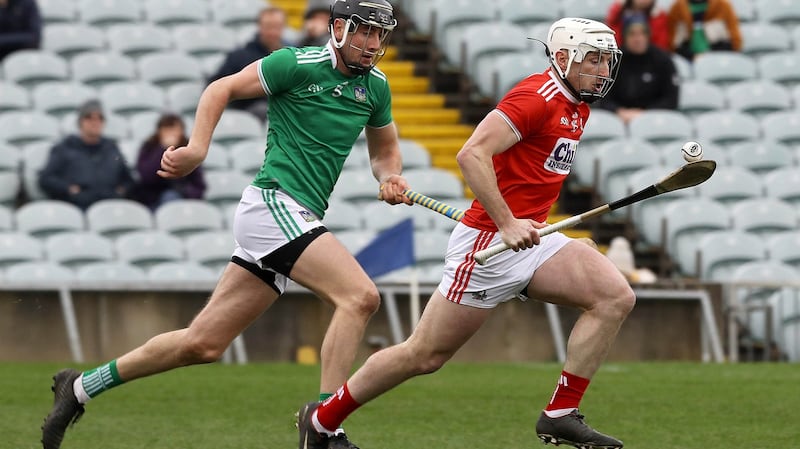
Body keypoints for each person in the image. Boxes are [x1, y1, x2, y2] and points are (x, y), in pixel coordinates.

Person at [41, 1, 404, 449]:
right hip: (272, 205)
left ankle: (78, 388)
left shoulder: (377, 87)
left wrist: (389, 177)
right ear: (339, 29)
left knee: (202, 345)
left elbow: (384, 151)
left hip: (295, 216)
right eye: (363, 32)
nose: (371, 45)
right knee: (360, 296)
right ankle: (325, 424)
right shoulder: (294, 63)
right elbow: (220, 89)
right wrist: (196, 149)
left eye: (379, 35)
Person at [297, 17, 634, 449]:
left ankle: (560, 414)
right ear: (563, 58)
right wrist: (508, 222)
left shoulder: (577, 103)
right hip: (488, 246)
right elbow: (471, 153)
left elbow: (529, 179)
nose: (603, 71)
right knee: (423, 355)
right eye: (594, 61)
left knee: (615, 296)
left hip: (532, 238)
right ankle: (323, 420)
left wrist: (552, 240)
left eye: (607, 62)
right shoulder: (537, 97)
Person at [38, 100, 135, 210]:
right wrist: (68, 189)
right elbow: (46, 179)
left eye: (100, 118)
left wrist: (120, 191)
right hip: (77, 207)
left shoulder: (112, 148)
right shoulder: (64, 148)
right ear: (80, 122)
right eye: (89, 117)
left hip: (111, 206)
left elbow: (129, 179)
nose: (95, 122)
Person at [597, 13, 679, 124]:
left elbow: (671, 98)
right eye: (632, 34)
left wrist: (644, 114)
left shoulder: (662, 60)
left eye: (642, 33)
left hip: (654, 119)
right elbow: (603, 97)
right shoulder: (613, 61)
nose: (637, 39)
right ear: (625, 36)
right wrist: (619, 111)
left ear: (648, 35)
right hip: (619, 119)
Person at [208, 6, 289, 116]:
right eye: (268, 27)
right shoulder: (239, 56)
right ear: (259, 27)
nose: (273, 32)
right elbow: (217, 85)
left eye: (277, 27)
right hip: (249, 113)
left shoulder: (290, 56)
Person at [132, 113, 206, 210]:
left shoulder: (189, 150)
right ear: (159, 132)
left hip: (183, 199)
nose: (171, 134)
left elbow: (198, 185)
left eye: (174, 130)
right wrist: (162, 149)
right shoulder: (149, 148)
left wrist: (184, 191)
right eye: (167, 130)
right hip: (152, 200)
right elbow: (146, 176)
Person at [668, 0, 742, 60]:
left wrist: (709, 55)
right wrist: (693, 56)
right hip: (687, 60)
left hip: (719, 57)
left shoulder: (723, 5)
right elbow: (674, 44)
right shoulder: (677, 8)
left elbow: (735, 41)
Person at [605, 0, 670, 51]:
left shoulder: (659, 17)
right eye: (632, 33)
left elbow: (662, 45)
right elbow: (611, 39)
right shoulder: (618, 14)